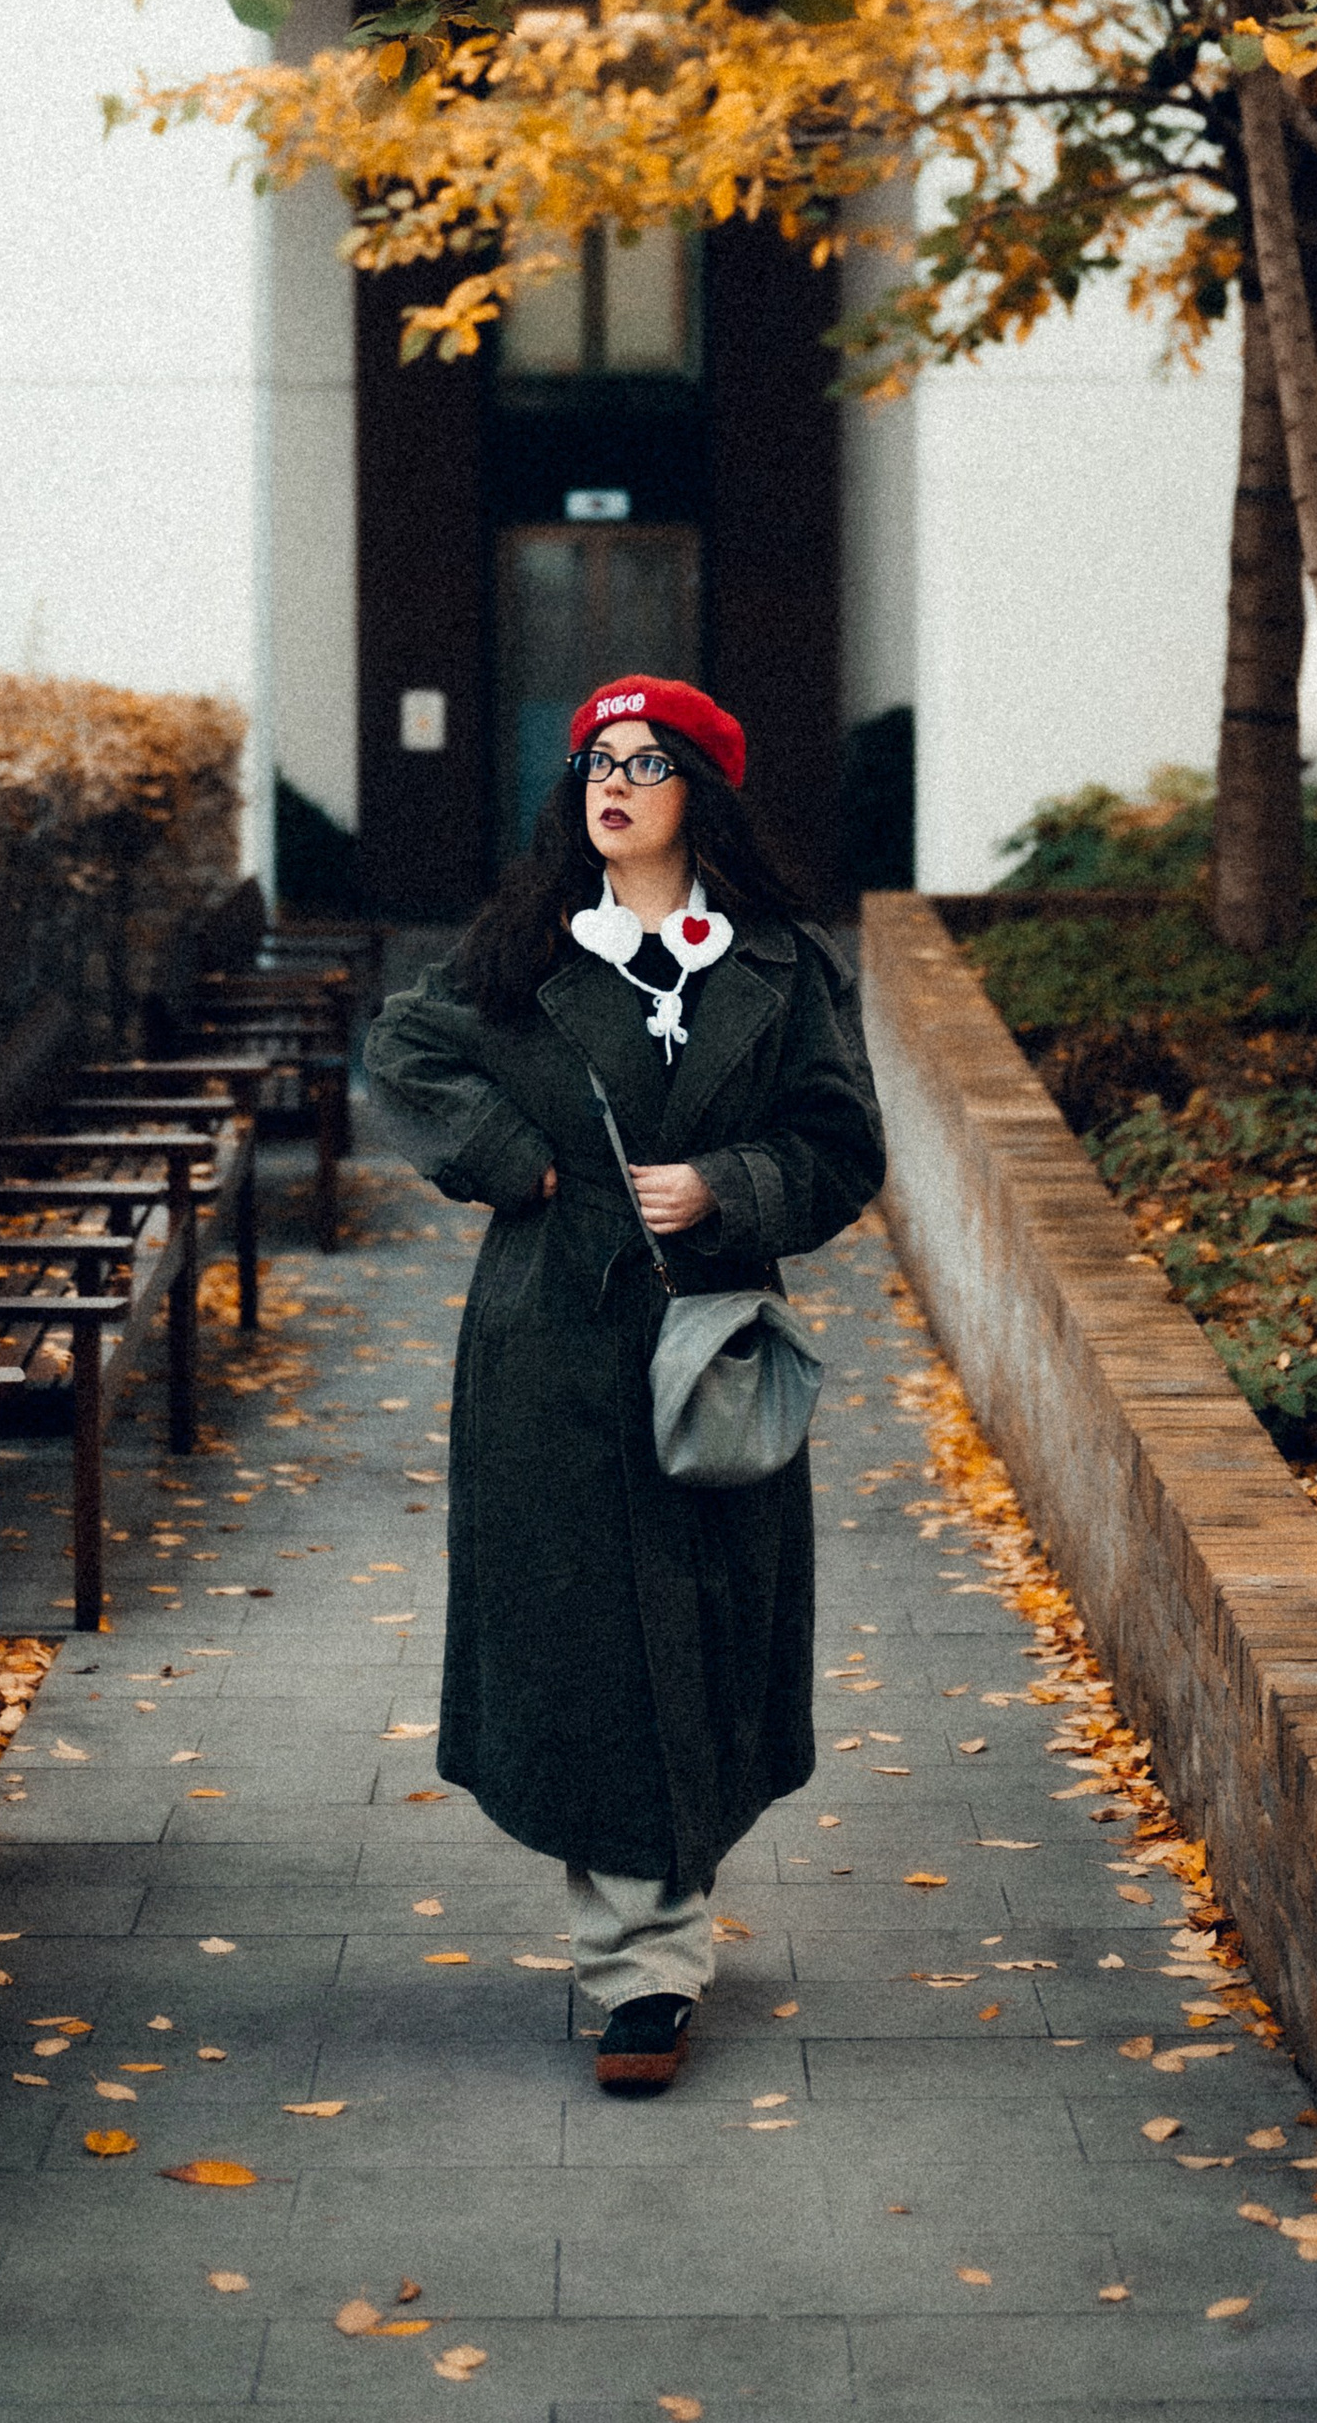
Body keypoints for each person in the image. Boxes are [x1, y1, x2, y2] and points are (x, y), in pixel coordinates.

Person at [363, 673, 885, 2094]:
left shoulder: (779, 965)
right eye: (598, 757)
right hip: (551, 1346)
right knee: (589, 1640)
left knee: (716, 1621)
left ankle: (667, 1901)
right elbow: (403, 1052)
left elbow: (842, 1150)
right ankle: (640, 1968)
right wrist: (510, 1162)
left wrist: (726, 1184)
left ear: (697, 798)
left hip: (712, 1342)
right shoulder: (525, 948)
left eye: (647, 763)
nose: (614, 782)